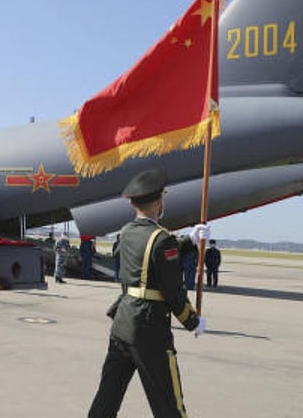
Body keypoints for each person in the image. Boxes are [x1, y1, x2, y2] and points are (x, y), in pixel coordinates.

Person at [88, 169, 209, 418]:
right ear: (157, 203)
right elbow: (173, 291)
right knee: (168, 401)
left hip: (123, 322)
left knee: (108, 396)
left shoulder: (126, 233)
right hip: (150, 329)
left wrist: (189, 240)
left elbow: (150, 257)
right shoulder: (161, 238)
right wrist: (192, 321)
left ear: (133, 203)